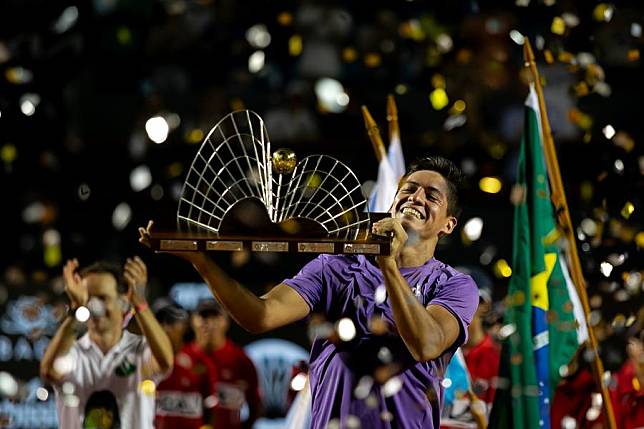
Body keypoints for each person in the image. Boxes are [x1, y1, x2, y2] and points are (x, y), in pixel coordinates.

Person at [140, 155, 480, 429]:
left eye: (431, 196)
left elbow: (426, 344)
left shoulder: (454, 286)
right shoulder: (336, 267)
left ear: (448, 224)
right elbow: (259, 316)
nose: (415, 198)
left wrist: (388, 264)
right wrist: (202, 262)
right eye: (408, 189)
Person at [40, 257, 174, 429]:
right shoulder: (73, 353)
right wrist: (75, 310)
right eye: (88, 298)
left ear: (123, 303)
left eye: (103, 298)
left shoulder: (139, 350)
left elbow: (165, 362)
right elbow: (48, 371)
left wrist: (139, 303)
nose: (94, 305)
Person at [188, 299, 262, 429]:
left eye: (215, 316)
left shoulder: (241, 360)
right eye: (204, 316)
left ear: (226, 321)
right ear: (192, 321)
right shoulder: (183, 358)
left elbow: (256, 405)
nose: (209, 323)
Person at [154, 301, 219, 429]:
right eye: (160, 322)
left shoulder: (199, 361)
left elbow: (211, 404)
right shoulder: (143, 360)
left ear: (183, 325)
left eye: (172, 322)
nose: (166, 328)